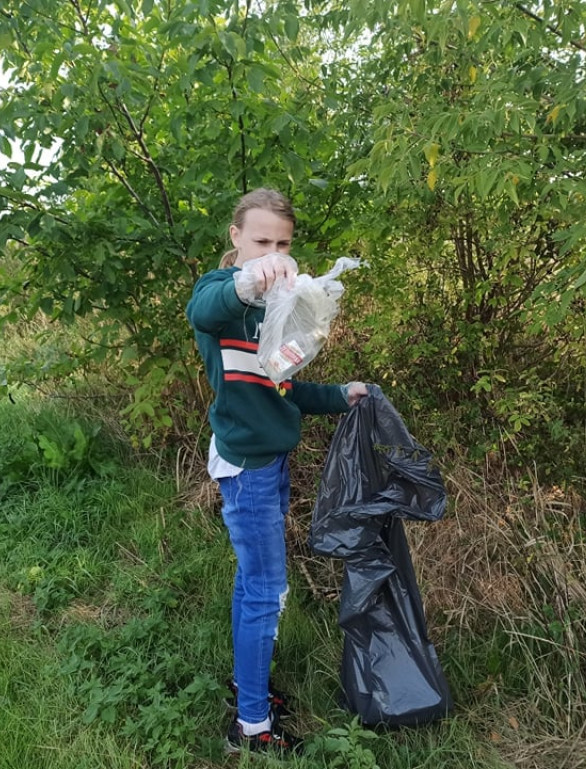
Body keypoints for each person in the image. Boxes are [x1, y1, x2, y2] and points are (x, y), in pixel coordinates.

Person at [186, 188, 368, 756]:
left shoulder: (276, 312)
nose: (273, 252)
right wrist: (252, 278)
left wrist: (343, 394)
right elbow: (204, 309)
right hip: (247, 470)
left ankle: (249, 688)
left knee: (253, 584)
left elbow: (282, 388)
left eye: (283, 243)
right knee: (268, 591)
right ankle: (252, 727)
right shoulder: (220, 294)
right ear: (235, 237)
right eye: (262, 241)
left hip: (274, 460)